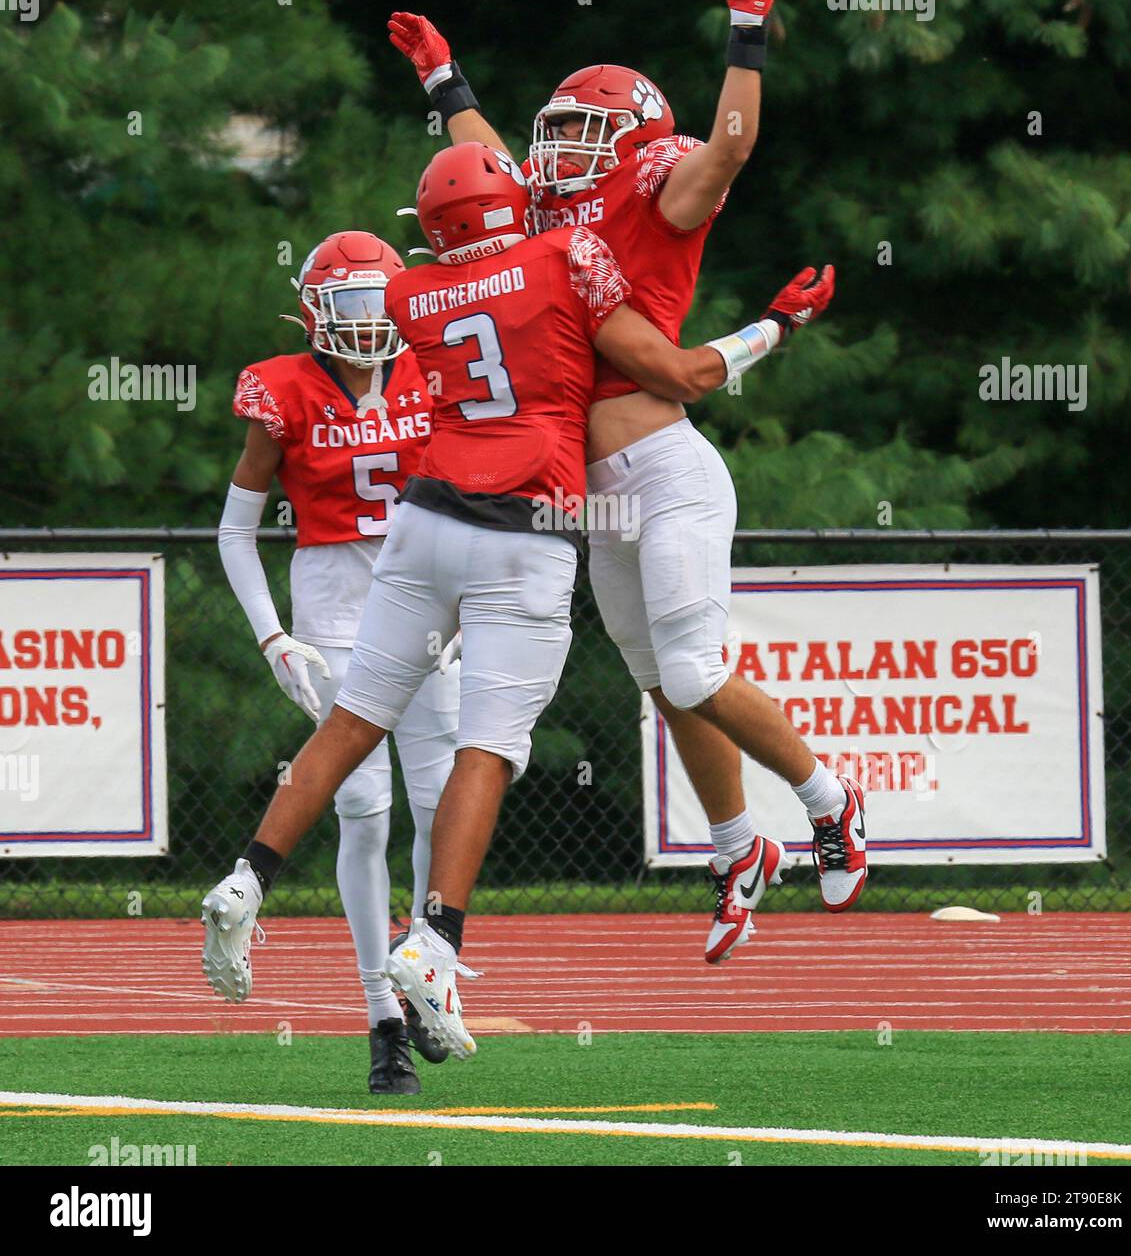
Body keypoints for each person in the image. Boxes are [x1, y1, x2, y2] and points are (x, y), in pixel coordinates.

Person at [200, 142, 835, 1059]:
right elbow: (686, 373)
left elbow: (465, 272)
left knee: (351, 722)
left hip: (420, 524)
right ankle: (437, 943)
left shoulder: (411, 295)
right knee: (485, 751)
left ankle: (248, 880)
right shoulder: (562, 256)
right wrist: (777, 324)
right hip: (523, 529)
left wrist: (448, 97)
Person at [386, 0, 866, 964]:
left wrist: (743, 31)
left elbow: (728, 149)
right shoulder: (546, 216)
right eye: (552, 130)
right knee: (659, 680)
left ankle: (829, 798)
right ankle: (739, 849)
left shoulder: (656, 192)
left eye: (577, 131)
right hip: (585, 495)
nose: (555, 148)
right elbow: (486, 166)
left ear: (633, 140)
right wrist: (443, 80)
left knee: (693, 668)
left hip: (663, 466)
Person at [211, 229, 460, 1095]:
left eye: (373, 302)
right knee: (365, 809)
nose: (362, 324)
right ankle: (380, 1019)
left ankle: (426, 973)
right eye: (344, 305)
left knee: (438, 806)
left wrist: (471, 595)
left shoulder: (439, 366)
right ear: (312, 310)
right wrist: (271, 632)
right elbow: (236, 528)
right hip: (336, 602)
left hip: (430, 596)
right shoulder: (281, 389)